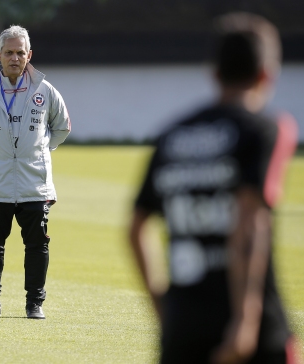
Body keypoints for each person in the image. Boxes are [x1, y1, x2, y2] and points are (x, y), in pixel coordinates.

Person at [128, 13, 299, 364]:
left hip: (183, 328)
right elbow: (249, 224)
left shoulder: (172, 135)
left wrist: (165, 309)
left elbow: (135, 228)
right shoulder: (264, 130)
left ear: (214, 72)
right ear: (267, 74)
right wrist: (245, 320)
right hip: (252, 330)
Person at [0, 25, 71, 319]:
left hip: (35, 185)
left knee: (37, 245)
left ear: (29, 54)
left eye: (21, 52)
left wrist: (43, 148)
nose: (15, 57)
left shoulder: (44, 90)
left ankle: (35, 304)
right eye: (9, 52)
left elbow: (62, 127)